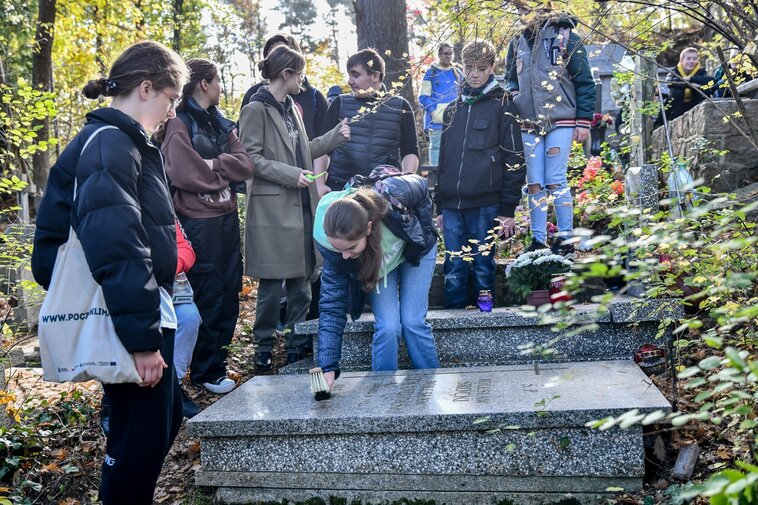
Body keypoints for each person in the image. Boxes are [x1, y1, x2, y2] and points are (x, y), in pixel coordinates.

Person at [31, 40, 188, 505]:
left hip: (134, 307)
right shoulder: (112, 144)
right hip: (130, 317)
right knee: (137, 442)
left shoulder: (115, 143)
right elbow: (116, 243)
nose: (172, 113)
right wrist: (140, 339)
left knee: (161, 420)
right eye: (171, 100)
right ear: (146, 88)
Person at [238, 44, 350, 371]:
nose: (303, 79)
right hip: (273, 211)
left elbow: (303, 152)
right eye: (299, 73)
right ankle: (263, 348)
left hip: (302, 206)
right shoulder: (255, 109)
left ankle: (297, 343)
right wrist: (291, 175)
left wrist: (334, 138)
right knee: (273, 285)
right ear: (286, 74)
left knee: (302, 283)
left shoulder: (292, 107)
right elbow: (251, 159)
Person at [160, 58, 254, 394]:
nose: (220, 87)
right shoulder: (178, 124)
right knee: (207, 295)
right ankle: (201, 371)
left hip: (227, 219)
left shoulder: (221, 122)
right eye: (217, 80)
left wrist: (213, 164)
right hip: (198, 223)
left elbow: (245, 165)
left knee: (229, 293)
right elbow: (186, 173)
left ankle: (215, 367)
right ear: (203, 84)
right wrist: (215, 172)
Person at [314, 169, 440, 387]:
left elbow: (421, 185)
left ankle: (431, 385)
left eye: (351, 247)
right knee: (388, 326)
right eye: (340, 250)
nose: (345, 256)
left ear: (369, 228)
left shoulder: (394, 195)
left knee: (412, 321)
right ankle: (382, 393)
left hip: (415, 252)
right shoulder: (337, 250)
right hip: (378, 263)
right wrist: (327, 366)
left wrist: (422, 230)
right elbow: (331, 306)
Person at [435, 40, 526, 309]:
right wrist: (440, 205)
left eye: (481, 68)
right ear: (461, 67)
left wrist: (508, 209)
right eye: (469, 67)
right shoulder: (452, 110)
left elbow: (514, 158)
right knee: (453, 268)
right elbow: (444, 160)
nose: (474, 74)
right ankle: (453, 325)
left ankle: (484, 323)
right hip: (452, 205)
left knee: (484, 266)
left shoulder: (504, 105)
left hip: (487, 204)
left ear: (491, 68)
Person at [505, 7, 595, 257]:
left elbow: (584, 80)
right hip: (528, 121)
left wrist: (583, 120)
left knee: (556, 179)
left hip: (561, 117)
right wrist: (515, 95)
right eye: (520, 8)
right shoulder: (516, 41)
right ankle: (538, 239)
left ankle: (566, 237)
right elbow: (510, 77)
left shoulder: (566, 36)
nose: (524, 12)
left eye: (528, 6)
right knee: (534, 182)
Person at [313, 48, 420, 196]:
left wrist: (405, 185)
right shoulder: (340, 103)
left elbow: (410, 151)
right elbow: (322, 147)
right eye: (349, 75)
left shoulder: (400, 106)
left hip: (383, 192)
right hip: (340, 189)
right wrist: (319, 184)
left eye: (355, 75)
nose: (349, 81)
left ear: (375, 76)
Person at [240, 33, 329, 141]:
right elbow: (250, 150)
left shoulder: (312, 98)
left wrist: (334, 138)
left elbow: (303, 147)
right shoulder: (253, 99)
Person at [172, 218, 203, 418]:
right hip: (123, 284)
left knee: (190, 317)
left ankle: (173, 387)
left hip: (167, 283)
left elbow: (185, 247)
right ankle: (112, 400)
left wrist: (171, 265)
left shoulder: (162, 207)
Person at [418, 42, 463, 166]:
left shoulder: (458, 73)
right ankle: (435, 177)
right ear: (439, 54)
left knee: (455, 148)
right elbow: (423, 97)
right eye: (445, 53)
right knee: (436, 147)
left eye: (450, 54)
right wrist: (434, 112)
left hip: (455, 120)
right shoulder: (431, 73)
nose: (448, 56)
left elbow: (464, 94)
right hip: (436, 121)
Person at [656, 47, 715, 126]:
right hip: (677, 106)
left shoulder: (701, 72)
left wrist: (691, 79)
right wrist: (690, 84)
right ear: (682, 60)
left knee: (702, 91)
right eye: (688, 58)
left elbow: (711, 81)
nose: (691, 61)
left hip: (694, 103)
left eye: (694, 58)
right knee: (677, 92)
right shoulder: (675, 71)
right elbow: (670, 83)